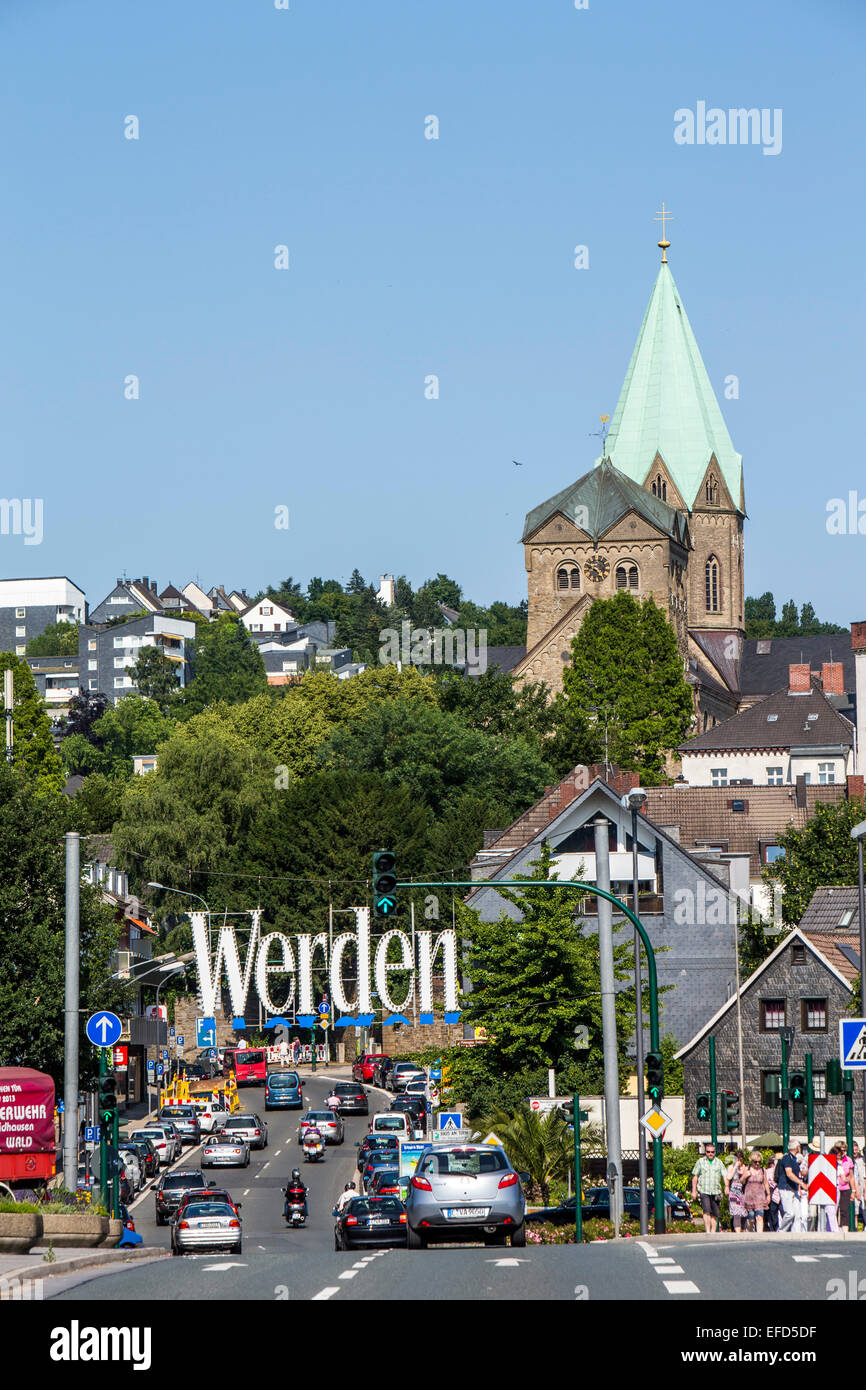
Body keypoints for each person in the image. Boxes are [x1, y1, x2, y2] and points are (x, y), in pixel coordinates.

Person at [691, 1143, 730, 1233]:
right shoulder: (700, 1161)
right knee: (706, 1210)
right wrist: (694, 1190)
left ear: (715, 1152)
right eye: (708, 1152)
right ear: (705, 1152)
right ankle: (708, 1231)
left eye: (712, 1152)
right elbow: (695, 1176)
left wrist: (726, 1186)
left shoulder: (719, 1162)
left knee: (715, 1213)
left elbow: (725, 1175)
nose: (710, 1154)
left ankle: (713, 1232)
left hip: (716, 1191)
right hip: (704, 1190)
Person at [777, 1140, 807, 1231]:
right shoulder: (787, 1158)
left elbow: (796, 1173)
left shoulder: (794, 1159)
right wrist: (801, 1183)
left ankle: (796, 1233)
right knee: (790, 1213)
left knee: (798, 1214)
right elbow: (789, 1174)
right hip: (786, 1189)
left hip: (793, 1189)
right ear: (797, 1147)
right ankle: (781, 1231)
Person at [743, 1150, 770, 1232]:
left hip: (760, 1196)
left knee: (759, 1216)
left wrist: (768, 1194)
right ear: (752, 1161)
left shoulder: (762, 1170)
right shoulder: (747, 1169)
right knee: (751, 1218)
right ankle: (750, 1232)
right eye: (755, 1162)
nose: (757, 1164)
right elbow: (741, 1182)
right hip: (749, 1196)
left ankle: (759, 1235)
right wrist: (744, 1176)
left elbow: (765, 1183)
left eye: (759, 1162)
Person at [834, 1142, 860, 1229]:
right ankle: (834, 1228)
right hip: (835, 1188)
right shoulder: (832, 1160)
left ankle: (844, 1230)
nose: (843, 1153)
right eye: (841, 1151)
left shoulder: (848, 1160)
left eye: (845, 1151)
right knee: (834, 1210)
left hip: (845, 1188)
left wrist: (853, 1191)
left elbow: (851, 1177)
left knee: (845, 1211)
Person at [727, 1150, 748, 1233]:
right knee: (736, 1213)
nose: (739, 1161)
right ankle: (737, 1232)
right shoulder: (731, 1167)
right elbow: (729, 1177)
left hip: (743, 1192)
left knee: (743, 1213)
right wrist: (735, 1166)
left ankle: (742, 1230)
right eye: (737, 1159)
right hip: (734, 1192)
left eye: (740, 1159)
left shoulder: (745, 1168)